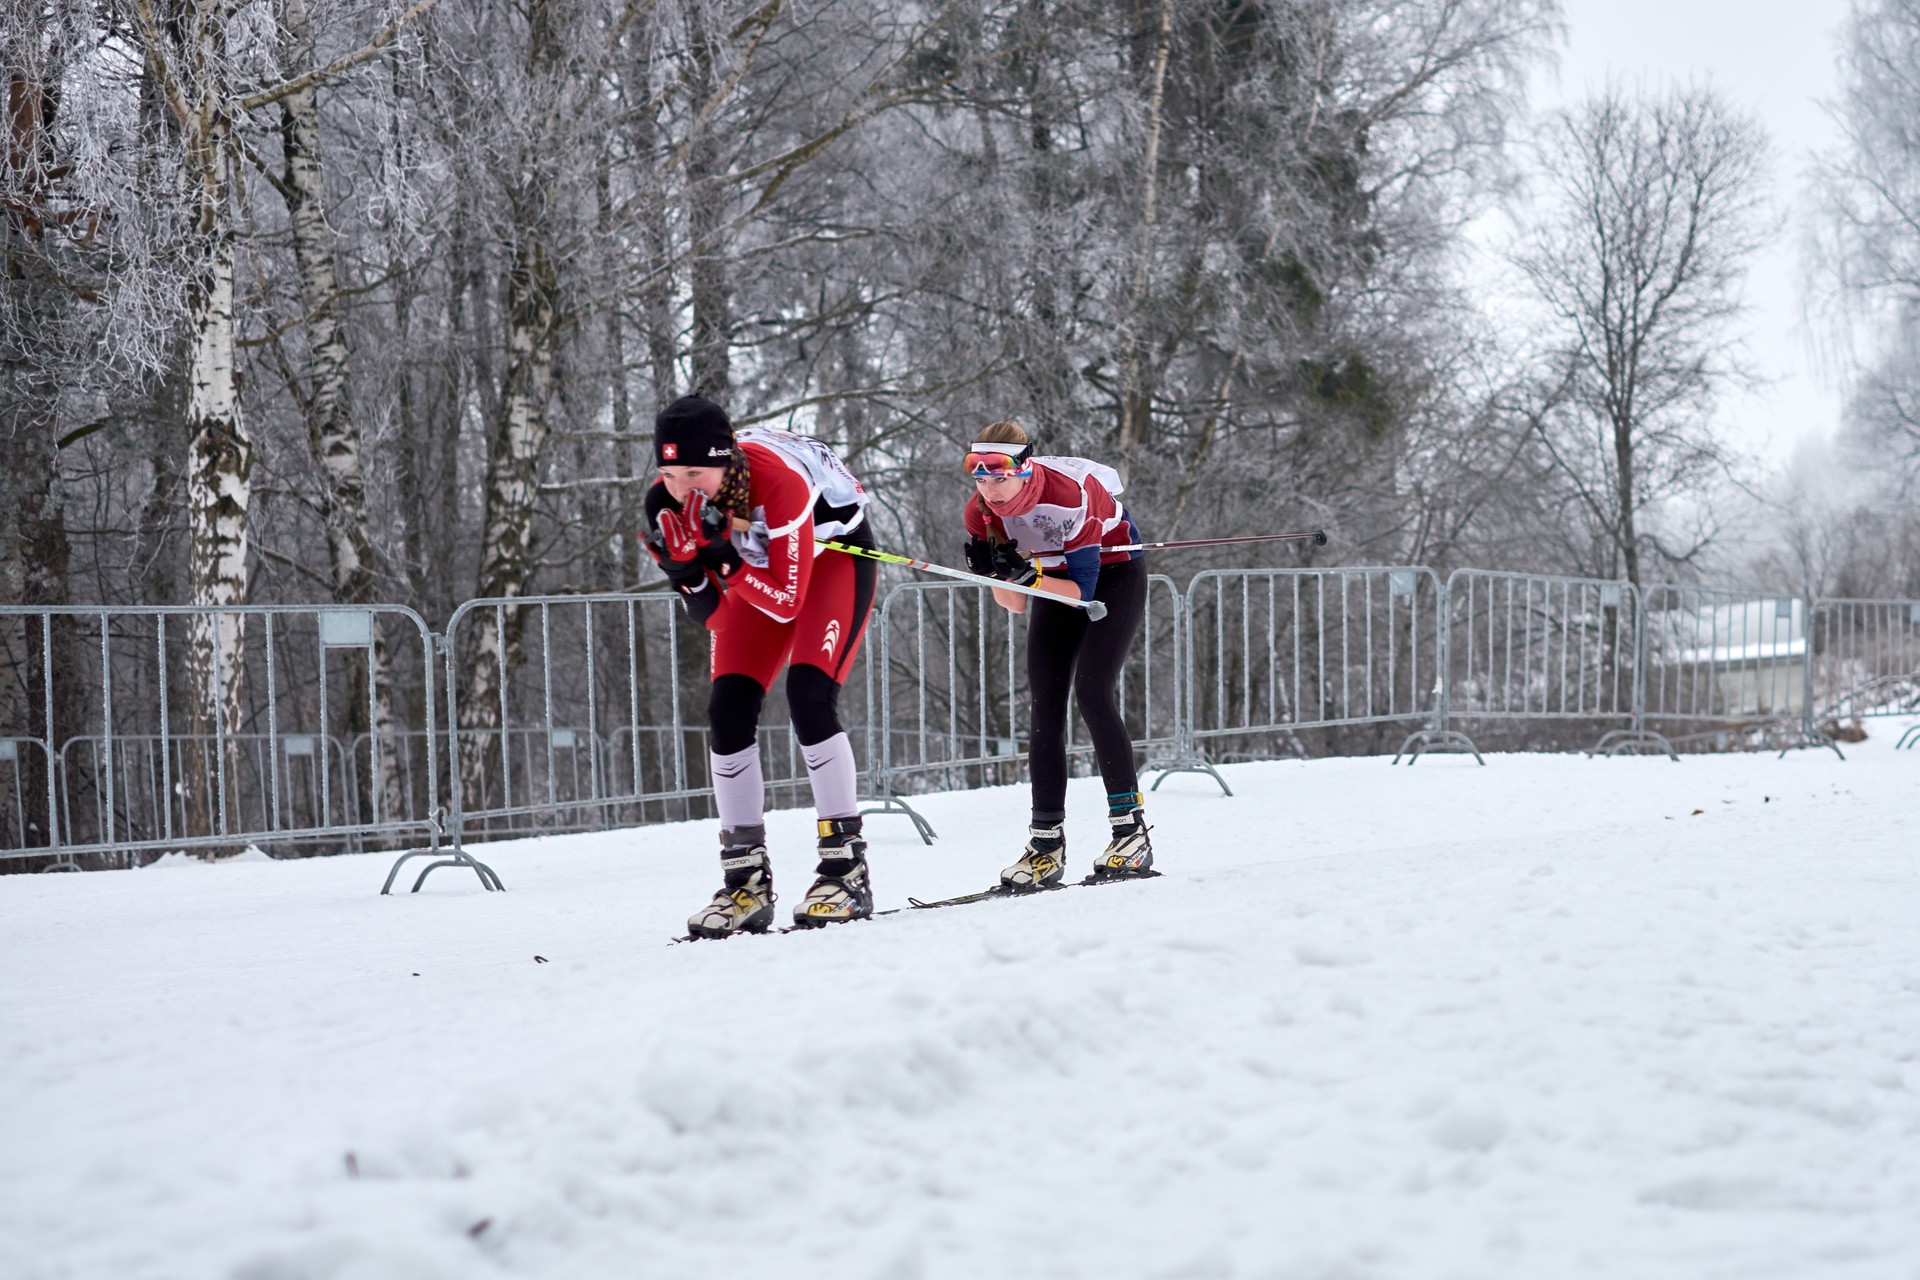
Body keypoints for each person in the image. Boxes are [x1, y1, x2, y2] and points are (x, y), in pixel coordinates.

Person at [642, 395, 878, 938]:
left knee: (809, 695)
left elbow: (788, 601)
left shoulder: (775, 483)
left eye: (696, 473)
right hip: (758, 575)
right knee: (727, 710)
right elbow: (717, 617)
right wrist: (687, 571)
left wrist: (720, 556)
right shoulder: (666, 501)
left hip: (833, 560)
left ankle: (846, 869)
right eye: (669, 473)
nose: (682, 489)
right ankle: (745, 881)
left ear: (726, 461)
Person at [960, 420, 1154, 890]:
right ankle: (1046, 844)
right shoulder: (981, 512)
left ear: (1024, 468)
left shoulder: (1067, 497)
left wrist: (1028, 578)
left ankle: (1131, 832)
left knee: (1092, 691)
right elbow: (1017, 604)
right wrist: (999, 577)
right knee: (1045, 702)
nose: (989, 488)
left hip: (1111, 575)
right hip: (1052, 581)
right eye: (979, 477)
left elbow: (1083, 595)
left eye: (999, 476)